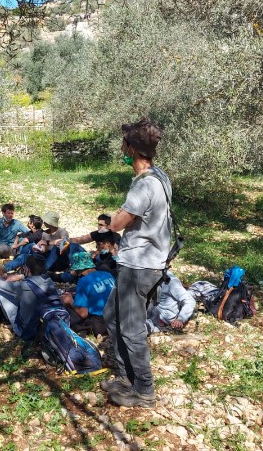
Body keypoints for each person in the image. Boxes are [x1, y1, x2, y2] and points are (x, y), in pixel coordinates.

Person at [101, 118, 173, 408]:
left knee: (131, 328)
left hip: (140, 266)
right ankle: (127, 377)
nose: (122, 147)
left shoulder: (143, 187)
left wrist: (114, 216)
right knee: (111, 316)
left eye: (125, 143)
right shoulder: (160, 177)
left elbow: (115, 224)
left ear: (131, 149)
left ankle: (144, 391)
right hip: (147, 262)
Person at [0, 255, 56, 341]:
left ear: (27, 269)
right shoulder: (49, 280)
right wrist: (21, 276)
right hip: (49, 324)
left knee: (0, 290)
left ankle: (6, 321)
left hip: (27, 331)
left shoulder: (24, 286)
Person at [60, 252, 115, 337]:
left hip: (101, 324)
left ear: (78, 270)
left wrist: (70, 301)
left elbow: (83, 313)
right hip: (118, 318)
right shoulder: (107, 274)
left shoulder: (83, 281)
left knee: (71, 312)